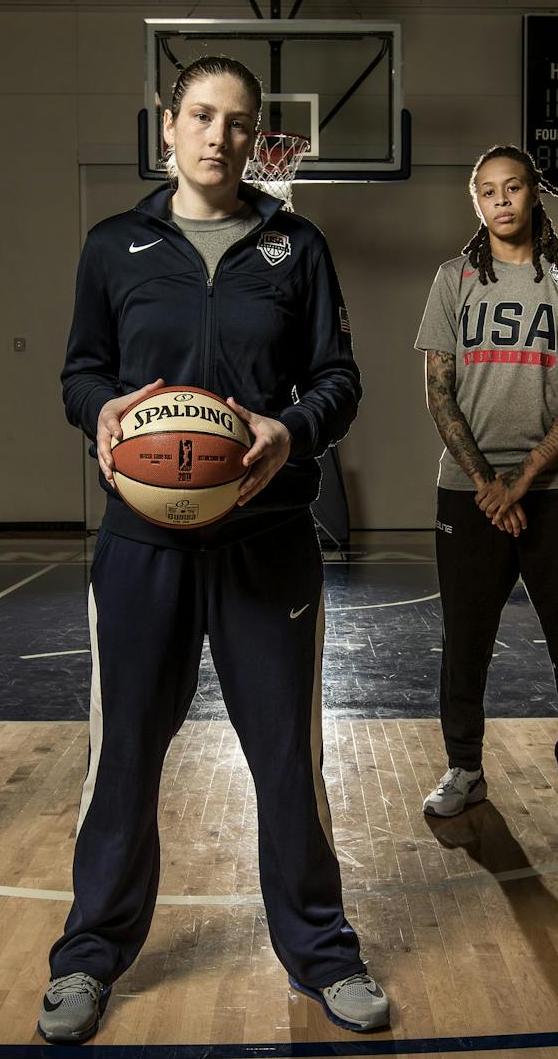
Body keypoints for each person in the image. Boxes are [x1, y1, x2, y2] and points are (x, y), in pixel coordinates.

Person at [42, 56, 388, 1041]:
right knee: (122, 757)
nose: (217, 136)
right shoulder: (115, 245)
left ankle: (322, 950)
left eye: (238, 123)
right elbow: (78, 374)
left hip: (268, 538)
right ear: (167, 126)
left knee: (286, 758)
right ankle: (88, 954)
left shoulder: (297, 247)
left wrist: (289, 429)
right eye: (200, 116)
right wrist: (102, 408)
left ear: (257, 139)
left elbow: (340, 377)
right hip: (139, 543)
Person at [414, 145, 558, 831]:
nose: (502, 200)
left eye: (514, 187)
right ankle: (465, 768)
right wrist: (485, 482)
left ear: (536, 194)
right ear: (476, 203)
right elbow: (438, 392)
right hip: (468, 493)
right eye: (488, 192)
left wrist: (522, 482)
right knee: (465, 638)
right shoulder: (452, 279)